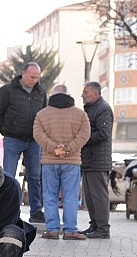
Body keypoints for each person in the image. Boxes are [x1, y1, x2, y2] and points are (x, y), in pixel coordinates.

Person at [33, 85, 91, 240]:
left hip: (49, 161)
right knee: (70, 197)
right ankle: (70, 230)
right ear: (68, 94)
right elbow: (85, 134)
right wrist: (69, 148)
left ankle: (52, 230)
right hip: (72, 161)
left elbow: (37, 134)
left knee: (50, 196)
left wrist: (54, 149)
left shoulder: (42, 114)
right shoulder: (80, 114)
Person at [0, 62, 47, 224]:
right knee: (8, 175)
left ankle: (36, 210)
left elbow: (44, 114)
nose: (34, 80)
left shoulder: (41, 92)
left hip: (34, 141)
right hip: (12, 139)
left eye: (37, 77)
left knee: (35, 176)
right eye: (32, 77)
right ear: (23, 73)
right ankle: (7, 210)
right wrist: (7, 131)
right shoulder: (7, 90)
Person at [80, 81, 113, 239]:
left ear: (95, 93)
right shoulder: (91, 109)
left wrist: (82, 139)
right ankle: (95, 225)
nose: (82, 95)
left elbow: (103, 133)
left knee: (99, 196)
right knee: (90, 196)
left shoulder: (103, 109)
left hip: (98, 160)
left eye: (85, 92)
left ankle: (103, 228)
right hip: (88, 160)